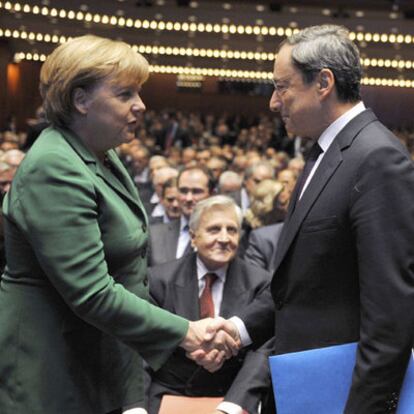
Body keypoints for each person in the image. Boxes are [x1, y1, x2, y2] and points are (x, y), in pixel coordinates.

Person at [0, 35, 237, 414]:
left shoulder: (100, 154)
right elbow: (91, 292)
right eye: (125, 94)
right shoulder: (54, 166)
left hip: (95, 362)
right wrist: (185, 331)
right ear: (81, 100)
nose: (140, 106)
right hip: (49, 370)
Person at [201, 24, 414, 413]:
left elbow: (390, 316)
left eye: (282, 87)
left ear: (324, 83)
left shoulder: (377, 158)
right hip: (301, 388)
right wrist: (238, 328)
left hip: (341, 396)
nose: (272, 102)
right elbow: (301, 280)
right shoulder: (324, 153)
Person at [146, 196, 272, 414]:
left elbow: (262, 350)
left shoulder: (260, 283)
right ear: (193, 237)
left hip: (232, 396)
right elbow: (143, 346)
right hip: (169, 394)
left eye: (231, 230)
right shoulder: (159, 280)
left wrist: (232, 405)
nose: (224, 238)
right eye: (214, 230)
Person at [148, 165, 214, 266]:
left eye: (196, 191)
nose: (188, 198)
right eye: (183, 191)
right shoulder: (154, 234)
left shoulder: (224, 237)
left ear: (211, 194)